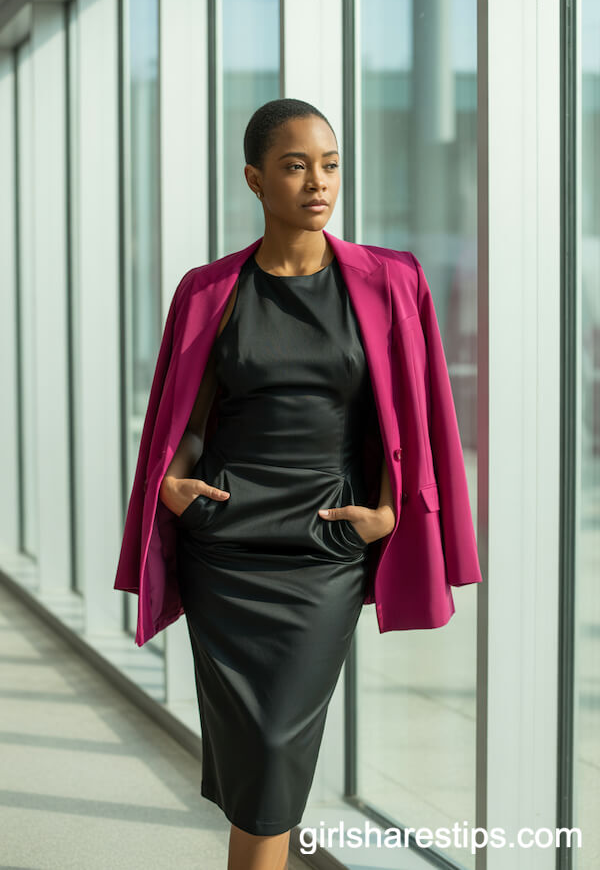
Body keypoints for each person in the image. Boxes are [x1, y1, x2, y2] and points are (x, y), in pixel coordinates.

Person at [158, 98, 396, 869]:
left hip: (323, 549)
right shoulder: (210, 291)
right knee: (261, 766)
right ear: (256, 180)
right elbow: (187, 421)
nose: (317, 182)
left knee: (271, 749)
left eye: (329, 164)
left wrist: (386, 516)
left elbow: (413, 415)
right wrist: (172, 485)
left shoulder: (386, 285)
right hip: (227, 549)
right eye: (295, 166)